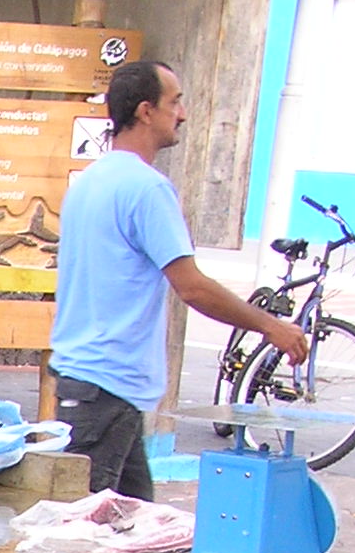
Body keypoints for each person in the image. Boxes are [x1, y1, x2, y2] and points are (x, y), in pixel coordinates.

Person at [51, 59, 307, 498]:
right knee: (82, 538)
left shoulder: (92, 180)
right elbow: (191, 285)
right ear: (146, 111)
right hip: (105, 385)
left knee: (131, 525)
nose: (183, 114)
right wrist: (272, 327)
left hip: (100, 386)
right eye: (176, 102)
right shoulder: (147, 189)